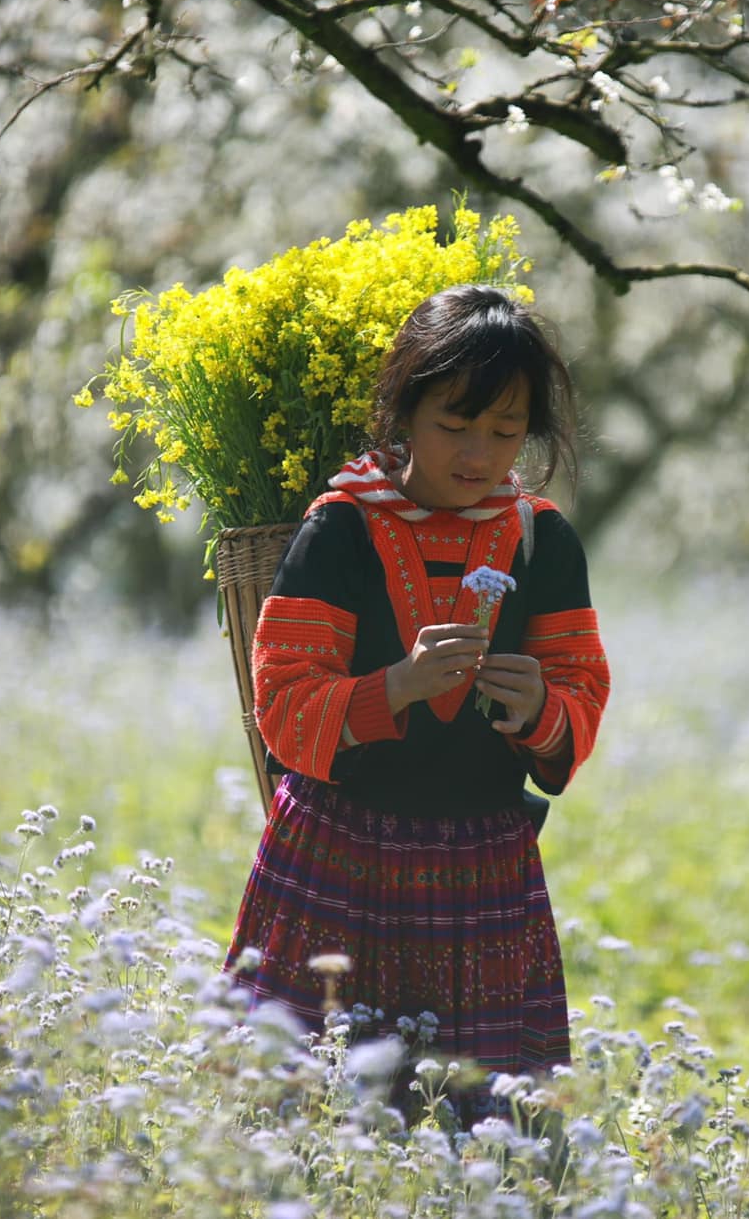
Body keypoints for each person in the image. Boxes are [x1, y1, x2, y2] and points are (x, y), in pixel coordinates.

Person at [222, 283, 611, 1128]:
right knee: (307, 1124)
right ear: (403, 411)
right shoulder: (339, 532)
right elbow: (282, 705)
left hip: (484, 872)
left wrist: (541, 704)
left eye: (506, 432)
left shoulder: (544, 542)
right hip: (335, 861)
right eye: (455, 425)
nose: (478, 453)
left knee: (477, 1131)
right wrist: (395, 686)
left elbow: (580, 698)